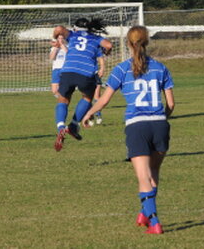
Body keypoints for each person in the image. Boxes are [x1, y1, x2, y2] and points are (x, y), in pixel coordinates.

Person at [82, 26, 175, 235]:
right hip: (160, 124)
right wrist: (161, 120)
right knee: (154, 173)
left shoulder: (122, 69)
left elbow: (104, 100)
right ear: (147, 42)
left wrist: (88, 113)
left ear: (128, 44)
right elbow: (171, 104)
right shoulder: (161, 68)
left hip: (137, 126)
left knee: (143, 178)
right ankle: (144, 213)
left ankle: (155, 222)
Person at [52, 17, 112, 152]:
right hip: (86, 73)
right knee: (87, 98)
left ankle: (61, 127)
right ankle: (73, 125)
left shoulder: (73, 35)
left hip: (68, 70)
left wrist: (56, 39)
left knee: (63, 99)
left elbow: (59, 29)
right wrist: (107, 52)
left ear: (75, 28)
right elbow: (108, 45)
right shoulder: (96, 38)